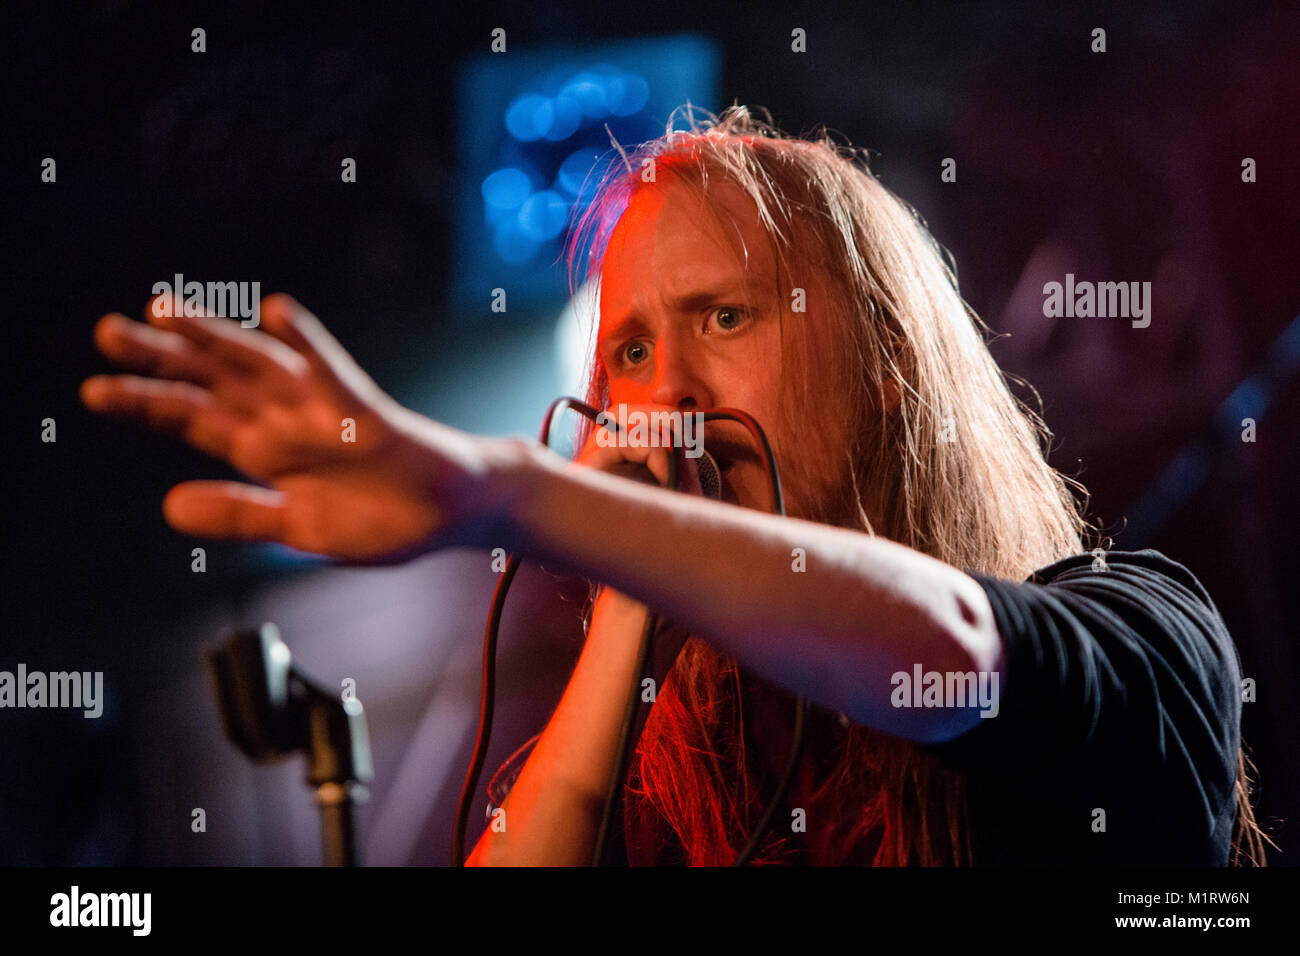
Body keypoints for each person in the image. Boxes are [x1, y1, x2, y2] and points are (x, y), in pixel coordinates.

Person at [81, 105, 1269, 866]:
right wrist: (620, 603)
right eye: (631, 350)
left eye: (726, 314)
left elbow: (952, 647)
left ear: (891, 368)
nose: (663, 393)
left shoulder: (1143, 630)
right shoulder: (679, 792)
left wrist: (510, 494)